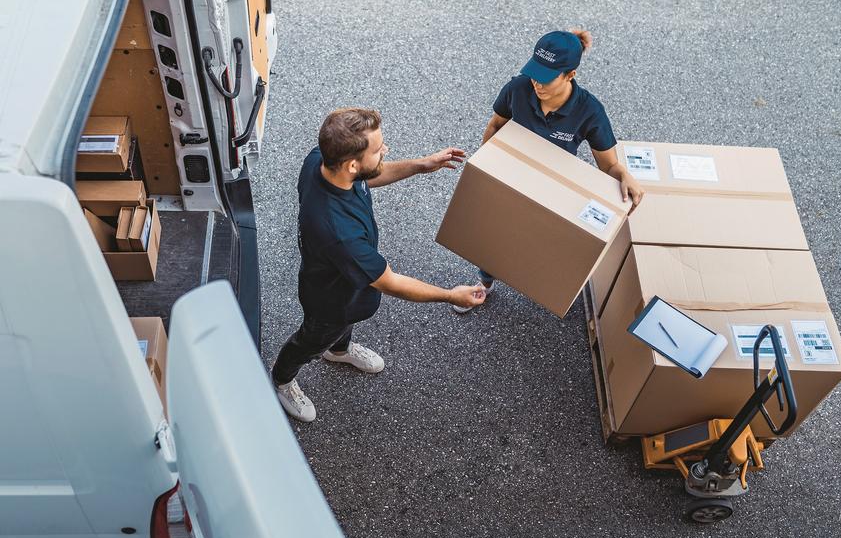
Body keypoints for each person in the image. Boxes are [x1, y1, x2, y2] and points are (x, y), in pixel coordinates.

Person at [272, 108, 486, 422]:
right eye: (378, 149)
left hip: (350, 285)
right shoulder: (341, 234)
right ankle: (282, 380)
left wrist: (420, 165)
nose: (385, 151)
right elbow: (390, 282)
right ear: (352, 164)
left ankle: (339, 351)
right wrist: (451, 296)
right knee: (311, 339)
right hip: (330, 301)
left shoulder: (320, 160)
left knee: (341, 328)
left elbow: (369, 177)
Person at [454, 29, 645, 313]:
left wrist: (624, 176)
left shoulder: (590, 111)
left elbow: (608, 165)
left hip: (553, 187)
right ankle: (485, 281)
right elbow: (495, 125)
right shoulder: (517, 89)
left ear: (570, 75)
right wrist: (486, 167)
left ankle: (541, 283)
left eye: (546, 77)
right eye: (534, 72)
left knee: (540, 239)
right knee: (496, 233)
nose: (536, 83)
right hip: (512, 176)